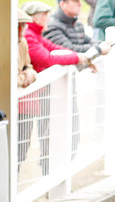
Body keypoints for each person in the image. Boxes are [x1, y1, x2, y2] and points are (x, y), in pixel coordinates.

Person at [20, 1, 90, 175]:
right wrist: (77, 58)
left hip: (38, 97)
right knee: (25, 146)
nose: (48, 18)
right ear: (35, 18)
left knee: (39, 141)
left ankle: (51, 178)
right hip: (32, 98)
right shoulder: (29, 35)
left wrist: (77, 57)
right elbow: (46, 58)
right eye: (45, 14)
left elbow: (54, 49)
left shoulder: (35, 35)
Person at [44, 0, 112, 57]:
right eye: (75, 1)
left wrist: (103, 44)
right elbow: (68, 49)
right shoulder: (52, 26)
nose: (80, 4)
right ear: (63, 4)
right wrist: (98, 48)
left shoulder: (77, 24)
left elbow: (88, 40)